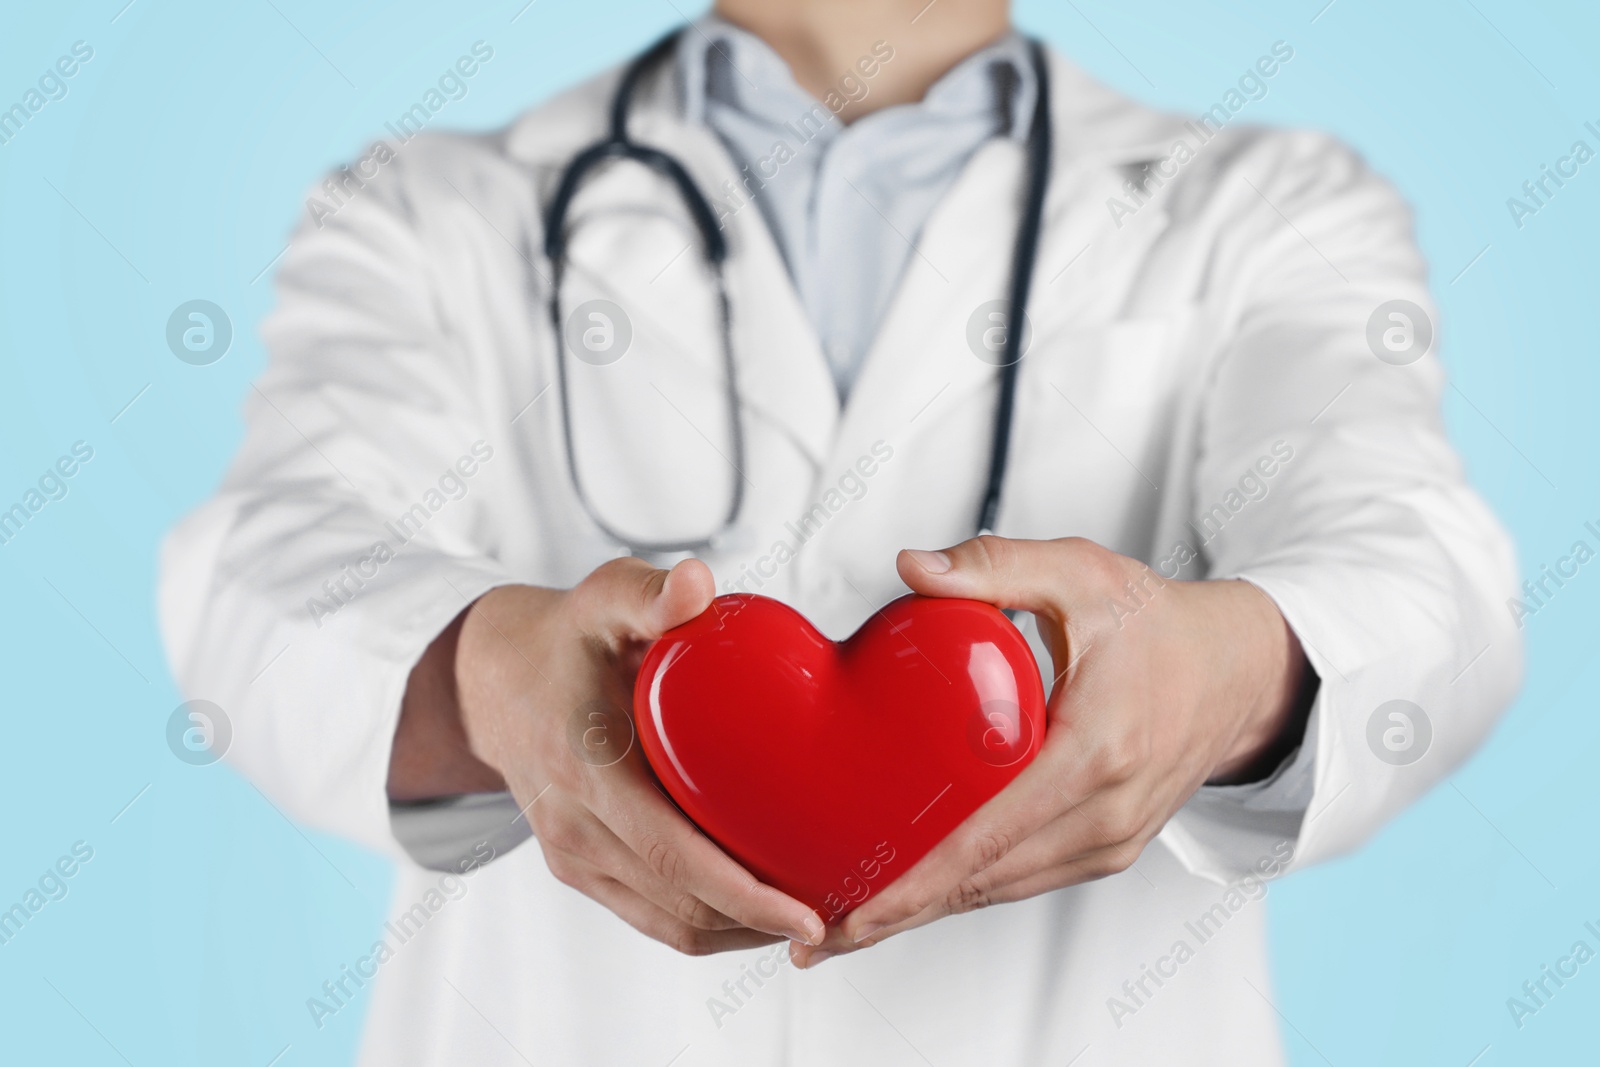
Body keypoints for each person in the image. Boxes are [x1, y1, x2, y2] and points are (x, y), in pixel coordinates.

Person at [158, 0, 1522, 1063]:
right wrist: (478, 675)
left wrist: (1233, 672)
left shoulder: (1267, 209)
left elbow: (1424, 571)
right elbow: (259, 572)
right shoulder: (430, 206)